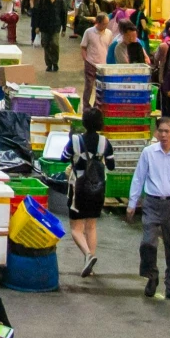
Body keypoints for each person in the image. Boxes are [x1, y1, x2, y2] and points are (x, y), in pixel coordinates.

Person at [127, 117, 170, 299]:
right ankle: (151, 275)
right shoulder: (148, 153)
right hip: (152, 202)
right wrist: (132, 203)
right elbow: (138, 177)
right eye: (161, 131)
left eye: (168, 131)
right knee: (148, 242)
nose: (164, 135)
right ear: (156, 132)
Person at [64, 115, 113, 276]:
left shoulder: (76, 140)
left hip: (78, 187)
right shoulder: (105, 142)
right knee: (91, 226)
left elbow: (63, 157)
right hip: (97, 188)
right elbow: (111, 166)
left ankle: (88, 255)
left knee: (76, 228)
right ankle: (89, 265)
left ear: (84, 123)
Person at [76, 14, 112, 113]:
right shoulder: (89, 32)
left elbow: (109, 47)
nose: (106, 26)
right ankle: (86, 106)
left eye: (107, 24)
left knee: (100, 87)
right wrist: (85, 59)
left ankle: (97, 106)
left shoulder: (109, 33)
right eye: (104, 24)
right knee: (89, 86)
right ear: (98, 23)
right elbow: (83, 47)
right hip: (91, 62)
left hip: (103, 65)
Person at [29, 0, 64, 72]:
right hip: (44, 27)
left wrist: (64, 28)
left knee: (55, 44)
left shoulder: (60, 2)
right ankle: (49, 64)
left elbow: (63, 15)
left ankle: (55, 62)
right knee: (46, 45)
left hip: (56, 27)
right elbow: (38, 14)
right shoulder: (43, 1)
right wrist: (37, 26)